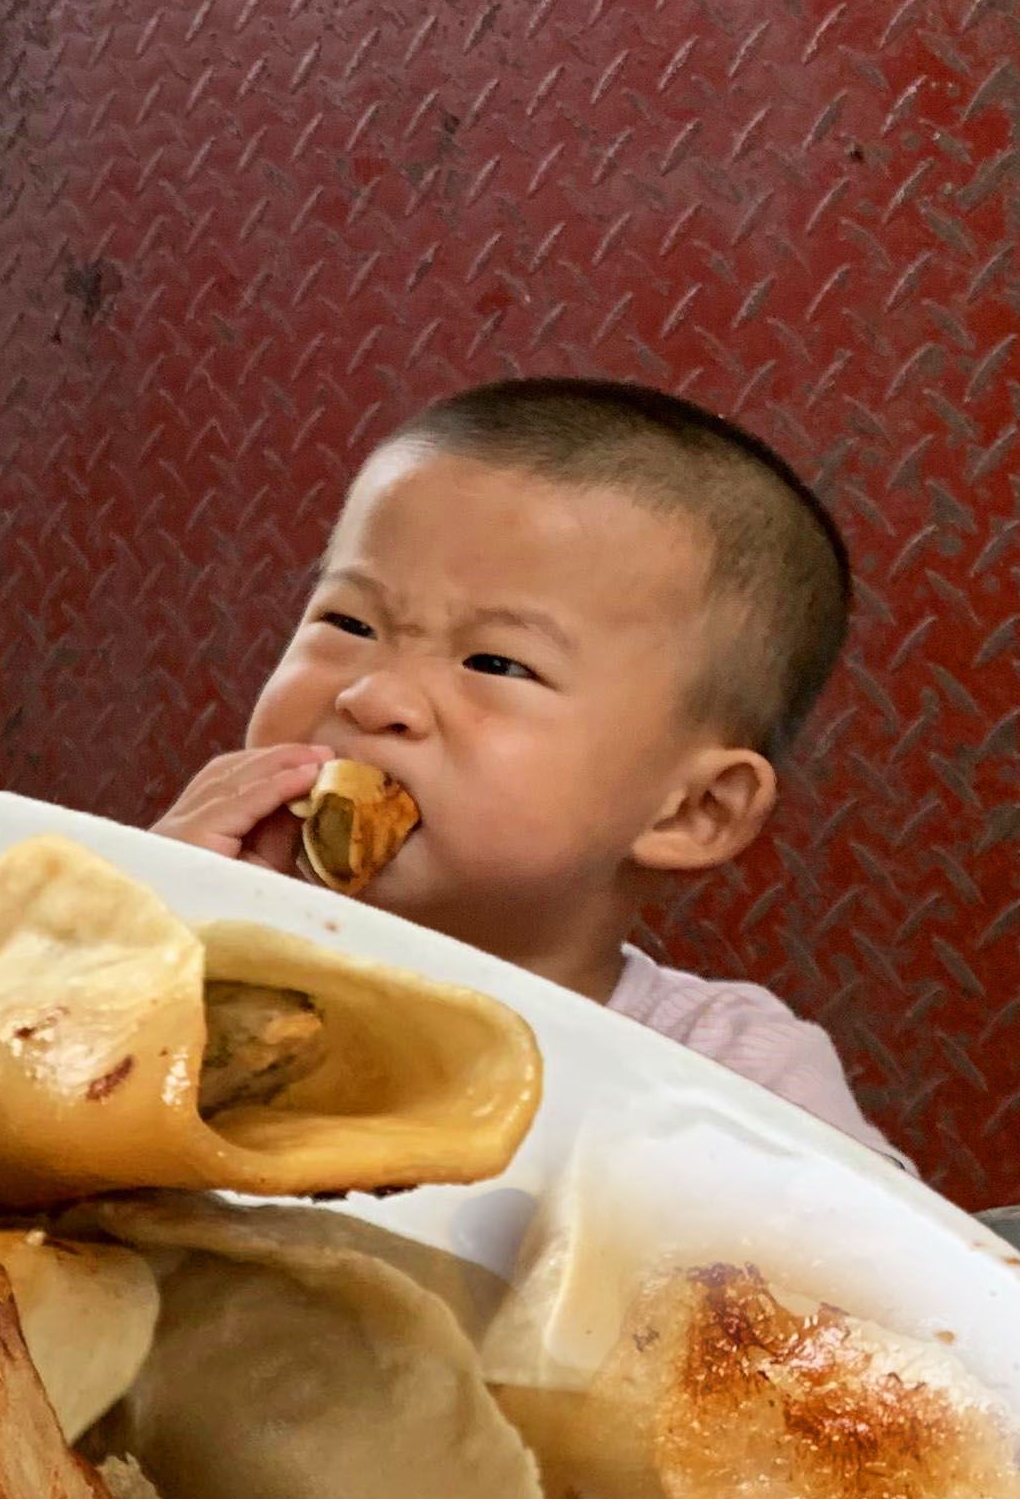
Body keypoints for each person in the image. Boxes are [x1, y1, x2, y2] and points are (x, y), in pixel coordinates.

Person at [152, 378, 903, 1161]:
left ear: (692, 812)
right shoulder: (181, 959)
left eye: (497, 662)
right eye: (348, 621)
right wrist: (140, 925)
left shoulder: (728, 1080)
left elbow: (907, 1278)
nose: (373, 696)